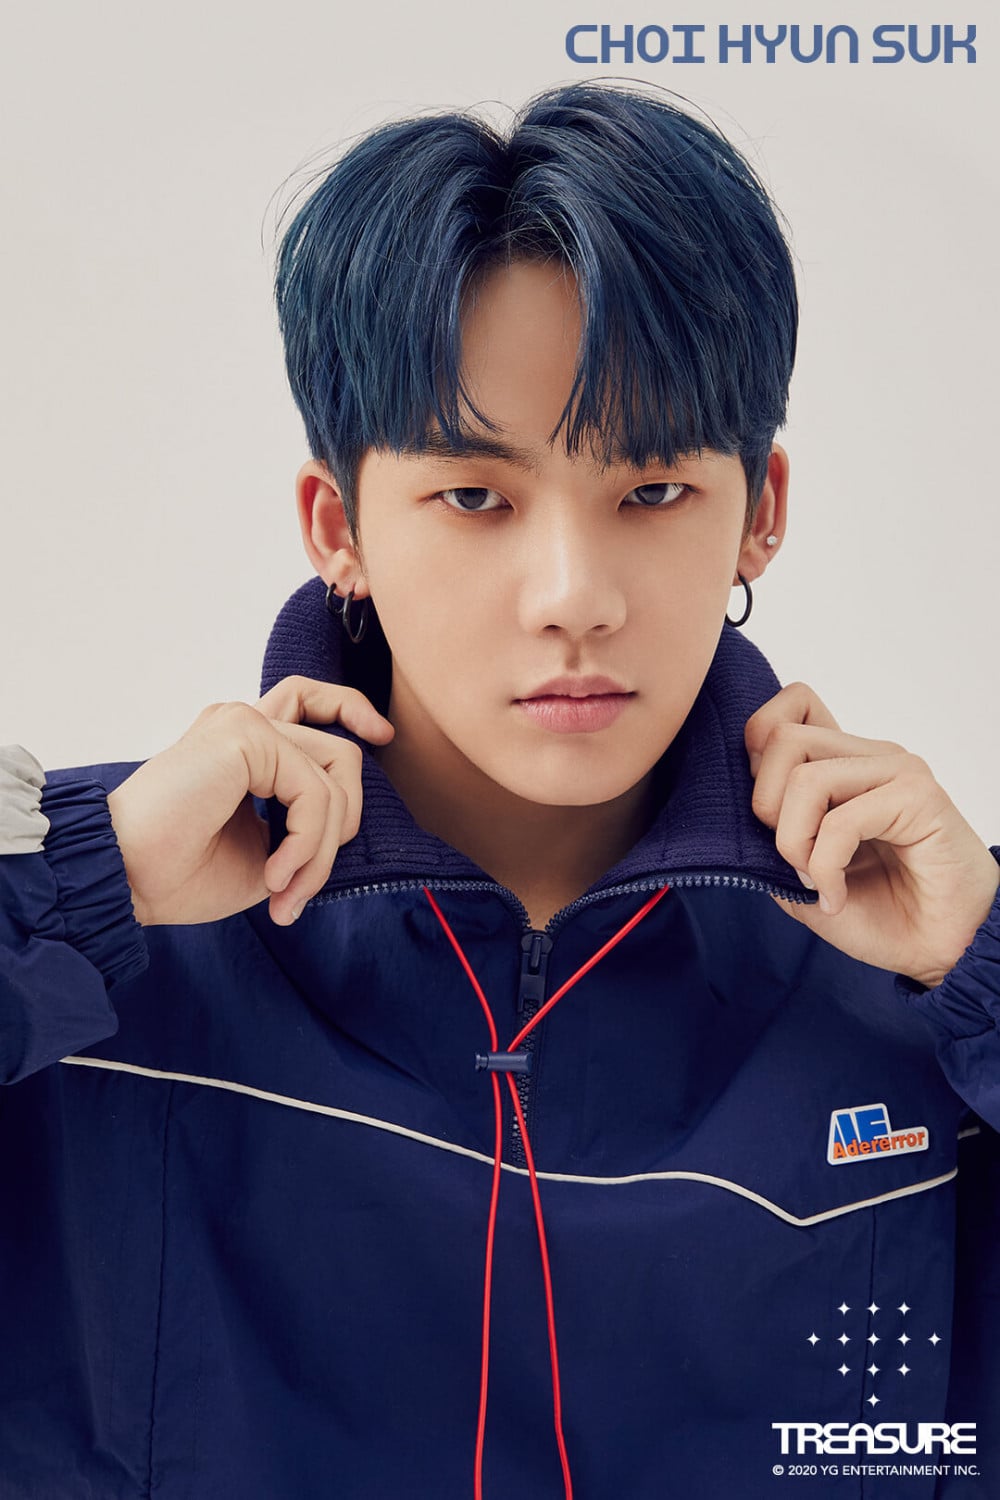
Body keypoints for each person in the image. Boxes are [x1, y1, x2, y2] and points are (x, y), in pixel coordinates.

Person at [1, 81, 998, 1500]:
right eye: (475, 498)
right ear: (338, 526)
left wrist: (991, 971)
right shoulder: (93, 934)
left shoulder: (922, 975)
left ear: (760, 511)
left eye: (651, 492)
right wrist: (71, 893)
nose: (572, 597)